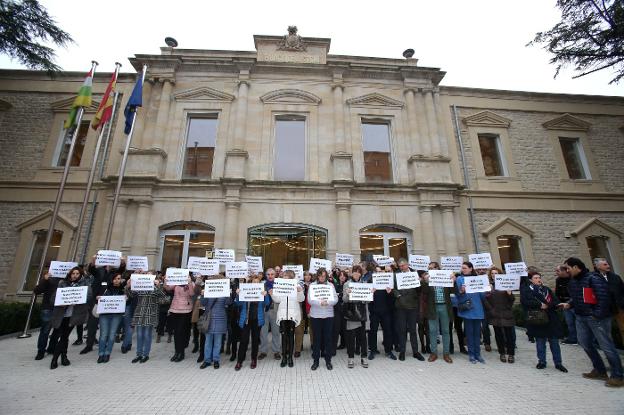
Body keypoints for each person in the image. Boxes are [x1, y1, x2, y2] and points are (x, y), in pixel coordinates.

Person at [563, 257, 623, 387]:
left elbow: (603, 297)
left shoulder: (593, 278)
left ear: (575, 267)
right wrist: (569, 304)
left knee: (606, 346)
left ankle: (618, 375)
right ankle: (600, 370)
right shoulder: (573, 281)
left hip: (596, 318)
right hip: (581, 316)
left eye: (568, 268)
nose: (566, 271)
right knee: (584, 343)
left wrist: (596, 315)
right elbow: (577, 297)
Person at [520, 271, 567, 372]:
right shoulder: (527, 290)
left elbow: (555, 301)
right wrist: (539, 305)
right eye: (536, 278)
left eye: (539, 277)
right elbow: (525, 302)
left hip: (551, 318)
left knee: (554, 342)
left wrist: (549, 305)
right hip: (538, 318)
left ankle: (558, 362)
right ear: (530, 280)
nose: (538, 279)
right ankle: (542, 361)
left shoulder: (546, 290)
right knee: (540, 341)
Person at [81, 257, 126, 355]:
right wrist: (93, 260)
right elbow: (91, 269)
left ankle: (104, 345)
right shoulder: (99, 270)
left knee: (106, 326)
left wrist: (122, 262)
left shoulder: (115, 271)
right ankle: (89, 344)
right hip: (97, 300)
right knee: (92, 323)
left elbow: (122, 269)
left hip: (109, 303)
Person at [49, 266, 91, 369]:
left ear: (80, 275)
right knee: (64, 336)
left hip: (74, 315)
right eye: (73, 273)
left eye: (77, 274)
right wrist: (60, 303)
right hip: (62, 314)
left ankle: (55, 359)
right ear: (70, 274)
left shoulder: (85, 284)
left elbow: (89, 296)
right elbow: (53, 299)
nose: (75, 275)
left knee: (64, 336)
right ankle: (64, 357)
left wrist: (78, 300)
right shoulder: (63, 283)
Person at [127, 273, 167, 363]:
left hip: (150, 313)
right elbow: (130, 295)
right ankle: (139, 354)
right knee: (139, 335)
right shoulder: (140, 286)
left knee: (147, 335)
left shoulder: (156, 287)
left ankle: (146, 354)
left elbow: (165, 298)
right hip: (140, 312)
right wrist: (129, 286)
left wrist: (158, 286)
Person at [234, 275, 270, 370]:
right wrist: (238, 294)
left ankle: (254, 360)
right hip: (246, 319)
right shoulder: (245, 291)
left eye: (257, 282)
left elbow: (267, 304)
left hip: (257, 320)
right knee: (243, 341)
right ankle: (239, 361)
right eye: (254, 282)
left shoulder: (262, 291)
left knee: (255, 341)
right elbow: (238, 303)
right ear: (251, 283)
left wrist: (266, 296)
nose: (256, 283)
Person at [270, 269, 305, 368]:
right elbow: (277, 299)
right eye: (284, 276)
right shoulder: (280, 286)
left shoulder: (297, 286)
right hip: (282, 315)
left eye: (286, 276)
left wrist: (299, 292)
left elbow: (301, 299)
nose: (284, 277)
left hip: (292, 315)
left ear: (291, 277)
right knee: (284, 336)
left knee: (291, 336)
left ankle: (290, 357)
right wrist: (272, 293)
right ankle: (284, 357)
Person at [455, 261, 487, 364]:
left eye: (464, 268)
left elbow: (483, 296)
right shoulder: (460, 279)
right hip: (468, 308)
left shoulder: (478, 279)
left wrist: (486, 290)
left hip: (477, 308)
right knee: (469, 333)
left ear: (470, 268)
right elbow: (458, 295)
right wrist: (462, 291)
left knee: (477, 333)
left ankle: (478, 354)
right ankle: (471, 354)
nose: (462, 270)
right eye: (462, 268)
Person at [393, 259, 424, 361]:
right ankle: (402, 351)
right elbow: (393, 288)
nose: (401, 267)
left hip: (412, 306)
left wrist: (420, 282)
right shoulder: (396, 275)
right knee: (402, 330)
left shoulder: (415, 274)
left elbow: (419, 291)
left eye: (403, 265)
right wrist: (397, 295)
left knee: (413, 330)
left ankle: (415, 352)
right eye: (399, 266)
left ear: (407, 265)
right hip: (400, 306)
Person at [484, 266, 516, 363]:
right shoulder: (489, 286)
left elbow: (512, 300)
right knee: (498, 335)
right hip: (495, 314)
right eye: (492, 274)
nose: (494, 275)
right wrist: (491, 310)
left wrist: (509, 294)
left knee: (509, 335)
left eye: (496, 273)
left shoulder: (506, 284)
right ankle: (502, 353)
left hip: (506, 313)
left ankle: (511, 354)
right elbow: (486, 300)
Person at [199, 277, 232, 369]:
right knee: (208, 341)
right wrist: (202, 295)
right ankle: (207, 360)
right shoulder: (209, 289)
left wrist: (229, 294)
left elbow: (229, 302)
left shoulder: (224, 290)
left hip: (221, 318)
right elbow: (203, 303)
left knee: (217, 342)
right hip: (209, 318)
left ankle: (216, 360)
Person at [308, 268, 338, 370]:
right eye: (320, 276)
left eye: (324, 276)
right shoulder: (312, 285)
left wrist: (328, 303)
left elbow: (335, 299)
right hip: (316, 316)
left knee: (328, 338)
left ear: (326, 276)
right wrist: (319, 303)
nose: (322, 278)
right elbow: (310, 299)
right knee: (317, 339)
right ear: (317, 276)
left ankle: (328, 360)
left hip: (328, 315)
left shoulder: (331, 285)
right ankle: (316, 360)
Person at [422, 270, 454, 363]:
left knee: (446, 331)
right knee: (432, 330)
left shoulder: (446, 279)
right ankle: (434, 353)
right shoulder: (430, 281)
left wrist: (453, 280)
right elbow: (424, 291)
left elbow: (453, 291)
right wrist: (426, 281)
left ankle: (446, 353)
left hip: (445, 307)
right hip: (432, 307)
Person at [165, 272, 197, 362]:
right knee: (176, 332)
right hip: (175, 309)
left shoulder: (190, 283)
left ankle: (181, 353)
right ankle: (176, 352)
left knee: (181, 331)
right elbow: (167, 288)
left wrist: (189, 282)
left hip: (186, 310)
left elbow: (191, 294)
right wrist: (166, 281)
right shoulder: (176, 282)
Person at [592, 258, 624, 348]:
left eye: (608, 264)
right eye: (605, 265)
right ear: (597, 266)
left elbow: (622, 290)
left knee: (623, 329)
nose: (608, 266)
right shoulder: (592, 278)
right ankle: (611, 352)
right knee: (606, 333)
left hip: (618, 307)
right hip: (604, 310)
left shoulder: (615, 277)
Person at [342, 270, 370, 368]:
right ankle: (351, 358)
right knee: (351, 338)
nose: (357, 274)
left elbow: (368, 301)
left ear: (361, 274)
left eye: (359, 272)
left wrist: (369, 294)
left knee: (363, 337)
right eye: (355, 272)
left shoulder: (364, 284)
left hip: (361, 314)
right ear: (351, 273)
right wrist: (348, 294)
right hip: (351, 314)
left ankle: (364, 357)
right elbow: (344, 299)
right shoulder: (347, 284)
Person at [368, 265, 396, 361]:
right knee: (373, 331)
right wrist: (370, 292)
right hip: (374, 311)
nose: (379, 273)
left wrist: (390, 293)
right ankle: (373, 350)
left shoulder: (388, 282)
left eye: (380, 272)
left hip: (386, 311)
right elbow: (366, 297)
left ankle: (388, 351)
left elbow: (393, 299)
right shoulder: (370, 282)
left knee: (387, 331)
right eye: (377, 272)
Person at [96, 273, 126, 363]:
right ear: (112, 279)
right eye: (115, 279)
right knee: (103, 335)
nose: (117, 280)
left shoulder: (123, 290)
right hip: (105, 314)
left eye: (119, 278)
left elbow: (127, 302)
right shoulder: (105, 288)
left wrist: (126, 299)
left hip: (116, 315)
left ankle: (107, 353)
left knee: (112, 335)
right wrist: (97, 298)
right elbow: (97, 296)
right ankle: (101, 354)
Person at [33, 271, 60, 360]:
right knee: (45, 330)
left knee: (57, 330)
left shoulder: (67, 280)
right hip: (48, 308)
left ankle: (51, 348)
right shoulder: (49, 279)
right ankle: (41, 351)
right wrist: (44, 280)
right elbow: (37, 291)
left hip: (60, 309)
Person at [259, 268, 281, 360]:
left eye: (272, 274)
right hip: (264, 311)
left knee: (276, 332)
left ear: (275, 274)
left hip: (276, 310)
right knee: (263, 333)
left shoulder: (279, 285)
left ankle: (276, 351)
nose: (270, 276)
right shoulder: (261, 285)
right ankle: (263, 351)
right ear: (266, 275)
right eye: (268, 274)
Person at [554, 264, 577, 344]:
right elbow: (557, 292)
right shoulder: (558, 280)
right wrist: (558, 303)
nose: (556, 272)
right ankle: (573, 338)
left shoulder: (573, 279)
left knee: (579, 322)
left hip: (574, 304)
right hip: (564, 304)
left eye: (558, 271)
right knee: (569, 322)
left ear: (564, 271)